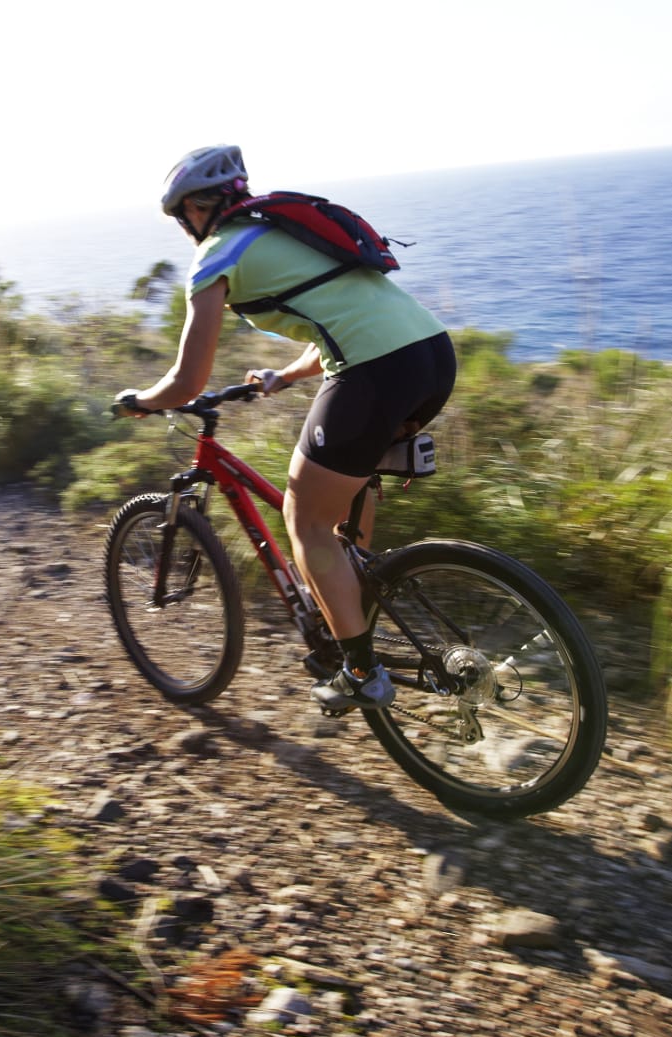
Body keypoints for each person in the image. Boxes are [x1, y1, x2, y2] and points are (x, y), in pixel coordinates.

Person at [117, 145, 456, 713]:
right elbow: (343, 318)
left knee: (303, 517)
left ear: (195, 211)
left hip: (375, 372)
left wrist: (140, 402)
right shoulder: (283, 230)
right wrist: (284, 375)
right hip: (432, 356)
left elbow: (186, 379)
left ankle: (361, 671)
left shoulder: (215, 257)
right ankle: (354, 604)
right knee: (343, 501)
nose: (183, 229)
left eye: (180, 218)